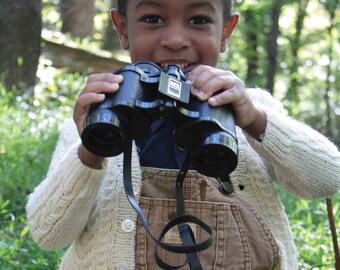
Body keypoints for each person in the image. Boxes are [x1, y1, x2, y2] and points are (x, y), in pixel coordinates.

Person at [26, 0, 340, 269]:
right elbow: (48, 232)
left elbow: (329, 178)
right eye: (153, 19)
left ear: (226, 32)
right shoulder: (102, 118)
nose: (175, 39)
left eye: (199, 20)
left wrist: (255, 121)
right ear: (122, 29)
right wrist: (91, 148)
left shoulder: (248, 110)